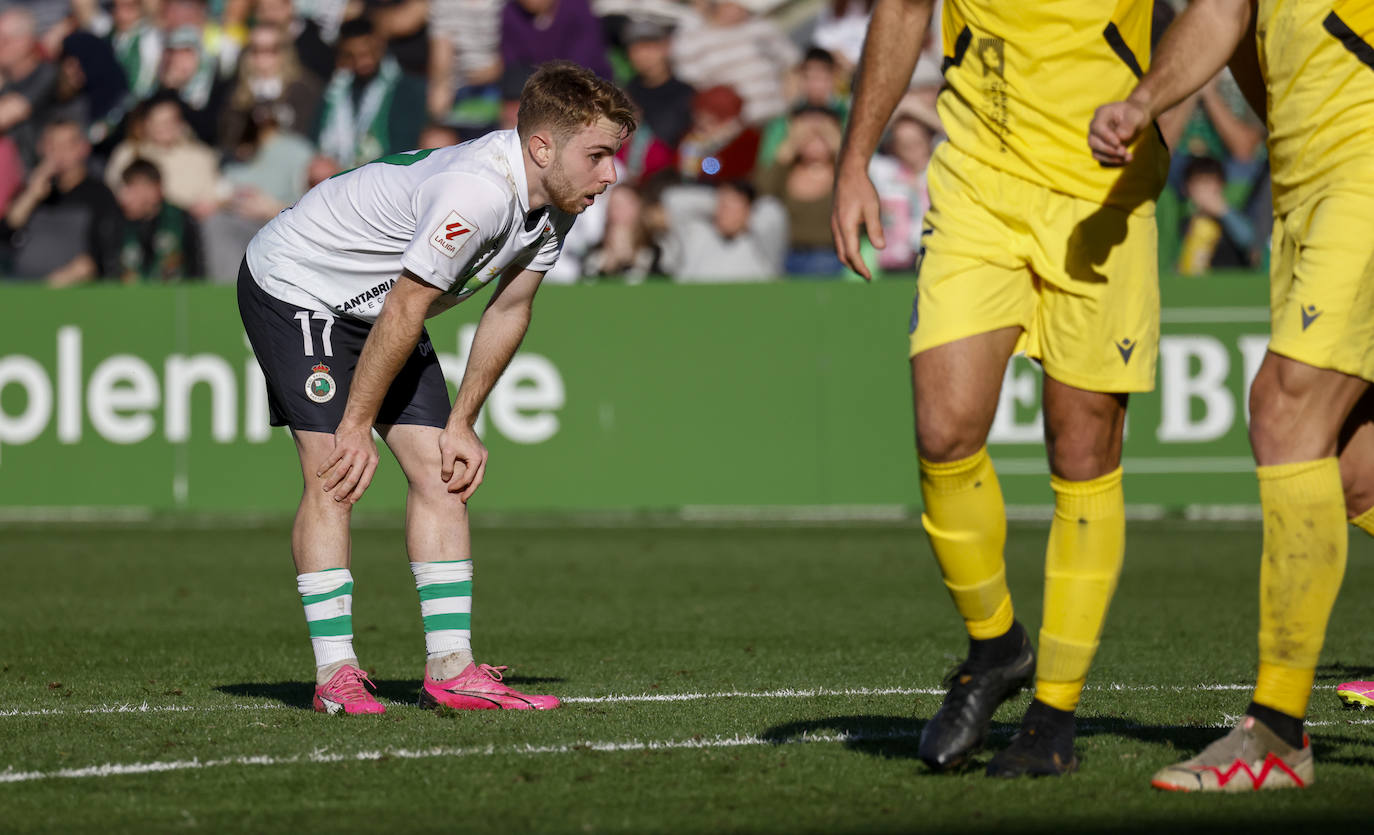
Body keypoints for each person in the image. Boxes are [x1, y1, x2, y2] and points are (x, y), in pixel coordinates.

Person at [832, 0, 1168, 777]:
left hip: (1104, 193)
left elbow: (1220, 16)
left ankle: (1054, 713)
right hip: (979, 186)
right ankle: (996, 646)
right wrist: (856, 159)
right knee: (944, 430)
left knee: (1082, 452)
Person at [238, 61, 634, 715]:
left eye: (613, 157)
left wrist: (464, 422)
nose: (609, 175)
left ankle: (451, 667)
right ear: (542, 146)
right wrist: (354, 425)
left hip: (385, 304)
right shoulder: (477, 193)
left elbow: (509, 309)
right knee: (335, 470)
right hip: (297, 284)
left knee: (442, 471)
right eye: (597, 155)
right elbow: (405, 308)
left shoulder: (557, 203)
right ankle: (335, 672)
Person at [1089, 0, 1374, 792]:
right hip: (1306, 174)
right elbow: (1223, 13)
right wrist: (1144, 103)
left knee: (1285, 410)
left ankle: (1276, 732)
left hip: (1364, 157)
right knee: (1354, 472)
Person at [2, 120, 121, 285]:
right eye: (52, 145)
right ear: (41, 147)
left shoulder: (99, 195)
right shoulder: (31, 190)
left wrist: (62, 280)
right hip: (21, 288)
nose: (59, 153)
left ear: (83, 148)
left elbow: (104, 254)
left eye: (67, 145)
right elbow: (6, 232)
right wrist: (31, 195)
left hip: (72, 293)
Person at [315, 17, 424, 168]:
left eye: (367, 53)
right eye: (352, 56)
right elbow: (315, 138)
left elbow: (404, 147)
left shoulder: (404, 90)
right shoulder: (335, 92)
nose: (362, 62)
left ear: (380, 46)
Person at [659, 180, 786, 282]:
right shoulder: (700, 234)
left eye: (732, 207)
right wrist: (717, 200)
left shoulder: (761, 247)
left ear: (749, 211)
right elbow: (673, 200)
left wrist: (744, 211)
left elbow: (773, 211)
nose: (724, 212)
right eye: (722, 205)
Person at [111, 158, 203, 282]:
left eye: (131, 188)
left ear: (153, 189)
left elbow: (196, 271)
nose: (124, 197)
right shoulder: (115, 223)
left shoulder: (181, 220)